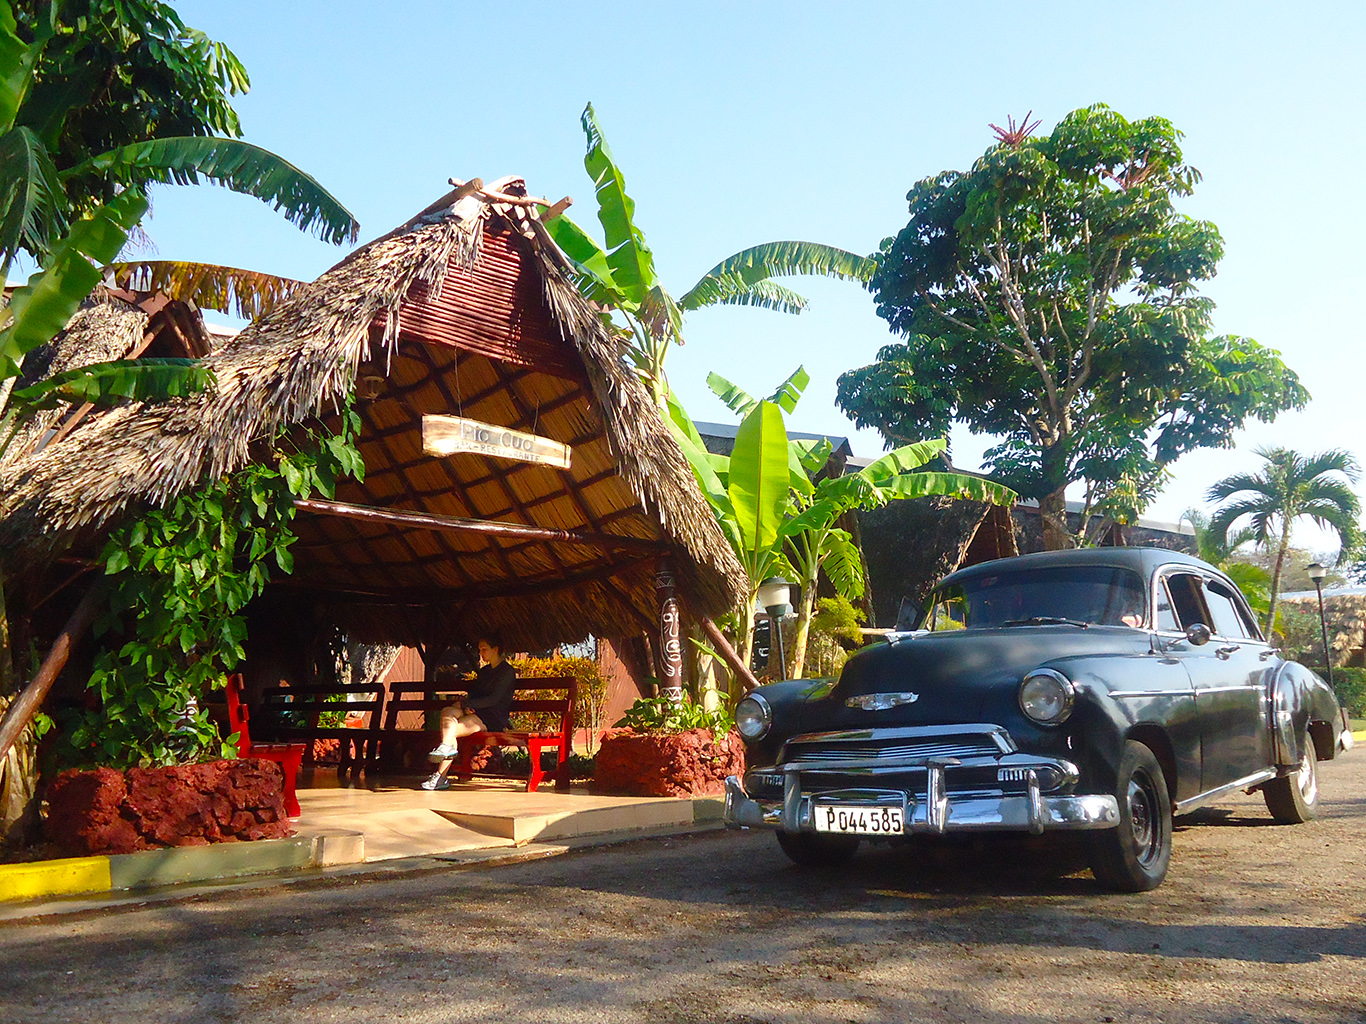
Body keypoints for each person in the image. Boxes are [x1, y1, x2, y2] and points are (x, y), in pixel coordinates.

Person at [422, 633, 516, 791]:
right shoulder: (485, 672)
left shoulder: (506, 672)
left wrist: (470, 704)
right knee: (448, 711)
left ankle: (441, 775)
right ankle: (446, 748)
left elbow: (494, 699)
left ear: (496, 649)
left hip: (492, 717)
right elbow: (475, 693)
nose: (481, 653)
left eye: (484, 649)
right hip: (476, 711)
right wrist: (464, 704)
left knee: (451, 732)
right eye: (480, 649)